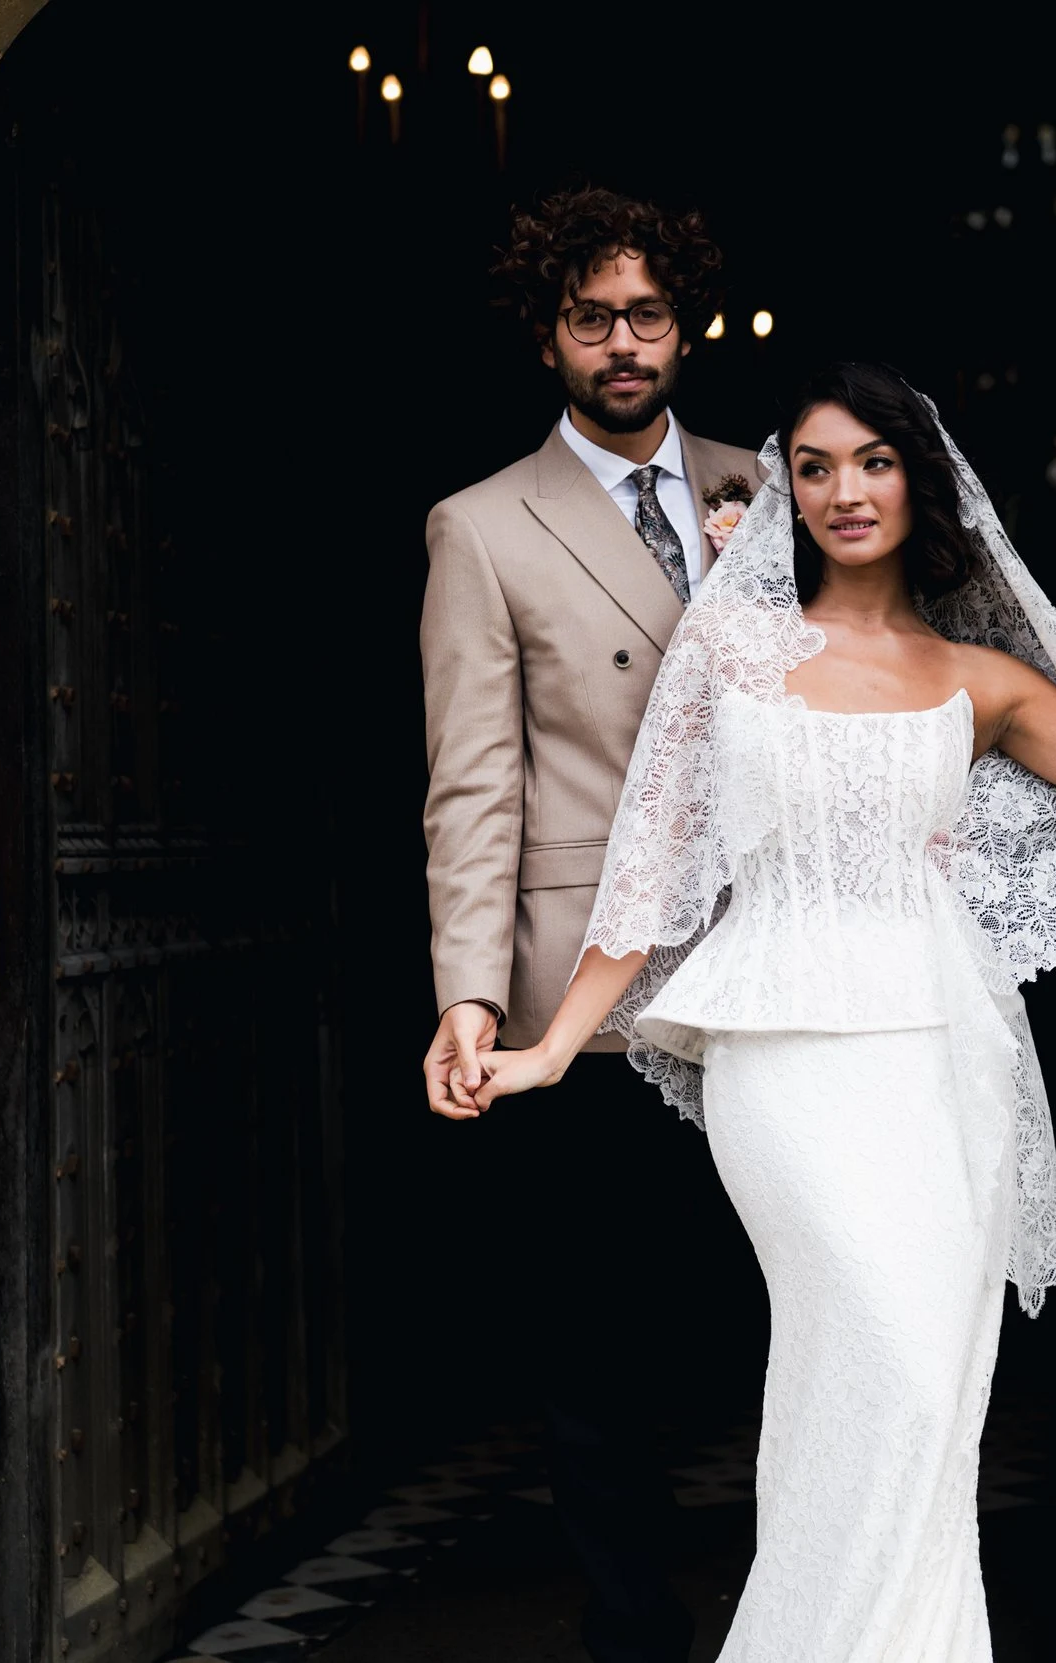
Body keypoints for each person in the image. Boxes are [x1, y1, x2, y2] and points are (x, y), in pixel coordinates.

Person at [450, 362, 1056, 1660]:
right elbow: (652, 868)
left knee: (932, 1398)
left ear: (919, 481)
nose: (844, 489)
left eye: (872, 461)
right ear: (787, 488)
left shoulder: (977, 677)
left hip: (942, 1066)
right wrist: (552, 1041)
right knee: (873, 1354)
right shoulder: (732, 650)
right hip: (785, 1067)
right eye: (815, 465)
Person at [418, 185, 767, 1663]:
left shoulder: (785, 484)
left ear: (686, 323)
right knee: (599, 1338)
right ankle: (633, 1625)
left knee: (781, 1305)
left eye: (645, 313)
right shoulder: (484, 525)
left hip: (774, 961)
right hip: (587, 992)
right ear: (548, 334)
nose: (622, 343)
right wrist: (467, 994)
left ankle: (796, 1606)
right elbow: (474, 777)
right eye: (590, 317)